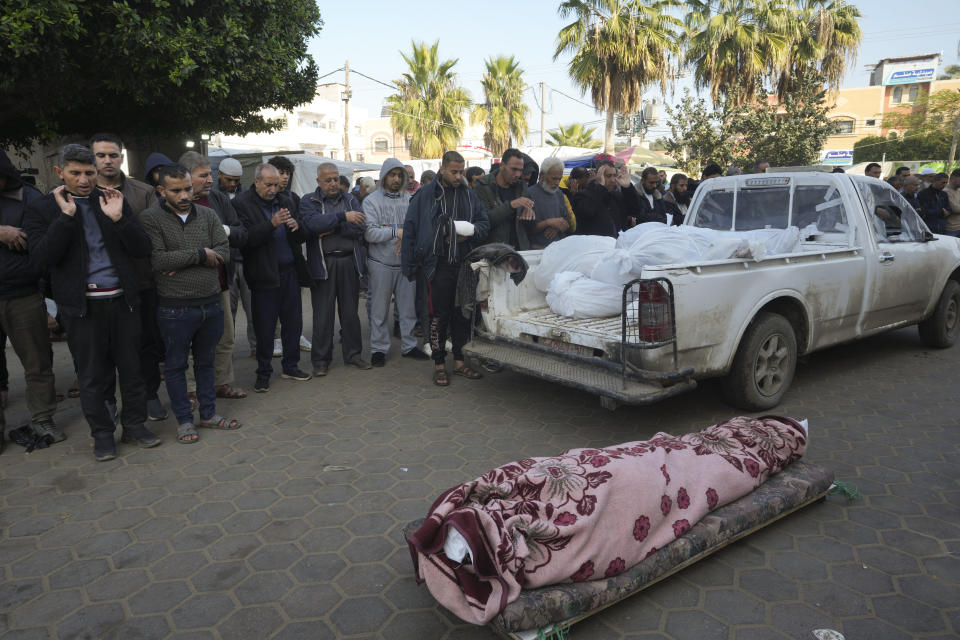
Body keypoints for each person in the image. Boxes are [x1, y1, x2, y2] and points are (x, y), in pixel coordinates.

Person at [24, 144, 157, 461]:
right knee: (93, 376)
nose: (84, 180)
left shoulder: (111, 200)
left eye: (89, 172)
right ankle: (102, 435)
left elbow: (142, 248)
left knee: (133, 370)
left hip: (122, 300)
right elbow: (40, 260)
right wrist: (66, 218)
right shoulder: (44, 208)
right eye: (75, 173)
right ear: (60, 173)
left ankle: (135, 426)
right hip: (81, 308)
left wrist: (119, 220)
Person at [140, 164, 239, 444]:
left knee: (206, 363)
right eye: (176, 190)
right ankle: (184, 421)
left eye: (187, 188)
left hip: (210, 304)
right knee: (175, 366)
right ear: (161, 191)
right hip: (175, 308)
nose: (184, 195)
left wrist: (186, 258)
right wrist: (200, 254)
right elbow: (158, 260)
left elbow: (224, 253)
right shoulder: (150, 219)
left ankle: (208, 414)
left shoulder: (208, 215)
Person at [92, 134, 166, 420]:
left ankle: (149, 396)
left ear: (122, 157)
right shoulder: (82, 192)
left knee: (146, 344)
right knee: (103, 348)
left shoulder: (143, 192)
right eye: (101, 155)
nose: (108, 161)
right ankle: (108, 402)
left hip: (141, 282)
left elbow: (152, 236)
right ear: (93, 158)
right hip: (98, 286)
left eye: (113, 155)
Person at [401, 151, 490, 387]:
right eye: (454, 171)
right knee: (439, 316)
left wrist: (467, 234)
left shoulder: (469, 196)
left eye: (462, 171)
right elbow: (411, 229)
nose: (459, 176)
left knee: (462, 314)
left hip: (464, 264)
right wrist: (410, 263)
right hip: (437, 265)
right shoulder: (425, 196)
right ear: (442, 169)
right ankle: (439, 365)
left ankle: (460, 362)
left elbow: (484, 224)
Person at [234, 163, 312, 392]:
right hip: (263, 275)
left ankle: (291, 365)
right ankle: (264, 372)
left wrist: (297, 226)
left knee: (293, 323)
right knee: (265, 328)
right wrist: (271, 224)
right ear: (256, 181)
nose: (273, 189)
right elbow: (245, 239)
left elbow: (303, 235)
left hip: (290, 272)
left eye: (276, 185)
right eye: (268, 184)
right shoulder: (241, 204)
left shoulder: (287, 200)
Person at [0, 150, 59, 445]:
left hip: (22, 293)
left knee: (36, 362)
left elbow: (45, 242)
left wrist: (49, 301)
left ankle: (42, 419)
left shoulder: (29, 198)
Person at [179, 151, 248, 400]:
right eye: (204, 175)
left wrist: (224, 230)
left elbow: (241, 232)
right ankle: (191, 390)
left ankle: (222, 383)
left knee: (225, 338)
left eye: (210, 175)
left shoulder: (218, 200)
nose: (210, 180)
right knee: (189, 343)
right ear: (186, 176)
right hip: (187, 288)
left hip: (220, 283)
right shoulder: (174, 203)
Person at [300, 163, 371, 376]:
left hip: (349, 262)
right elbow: (312, 224)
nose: (333, 184)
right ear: (318, 182)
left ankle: (354, 355)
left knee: (350, 313)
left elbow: (360, 228)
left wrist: (329, 227)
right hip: (323, 264)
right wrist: (342, 218)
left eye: (336, 179)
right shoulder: (308, 201)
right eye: (328, 180)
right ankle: (321, 360)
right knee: (323, 315)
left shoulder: (350, 199)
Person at [362, 158, 429, 366]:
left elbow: (417, 229)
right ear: (383, 176)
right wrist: (396, 232)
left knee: (408, 309)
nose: (396, 179)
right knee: (379, 310)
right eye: (392, 175)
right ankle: (379, 349)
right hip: (380, 262)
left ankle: (409, 346)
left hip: (405, 262)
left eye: (400, 175)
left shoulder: (409, 200)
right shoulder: (371, 201)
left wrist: (405, 238)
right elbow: (369, 233)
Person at [473, 148, 532, 250]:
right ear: (502, 166)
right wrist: (510, 205)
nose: (518, 174)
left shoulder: (521, 186)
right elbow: (484, 221)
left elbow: (530, 218)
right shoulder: (483, 186)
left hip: (519, 250)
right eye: (514, 169)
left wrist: (530, 211)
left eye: (520, 170)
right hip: (493, 252)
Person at [571, 161, 646, 236]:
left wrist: (628, 188)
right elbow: (587, 212)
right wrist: (600, 187)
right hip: (595, 245)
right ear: (598, 176)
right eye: (609, 176)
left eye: (614, 175)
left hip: (616, 244)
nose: (613, 180)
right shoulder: (582, 195)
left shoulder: (616, 195)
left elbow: (635, 210)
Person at [523, 157, 571, 249]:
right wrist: (548, 223)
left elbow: (565, 221)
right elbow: (526, 229)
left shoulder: (559, 193)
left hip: (558, 249)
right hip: (536, 251)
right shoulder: (529, 194)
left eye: (559, 179)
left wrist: (557, 226)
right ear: (542, 175)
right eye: (554, 179)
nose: (557, 183)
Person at [944, 169, 960, 238]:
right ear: (953, 178)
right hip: (951, 228)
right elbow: (955, 209)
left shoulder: (959, 190)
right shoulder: (946, 191)